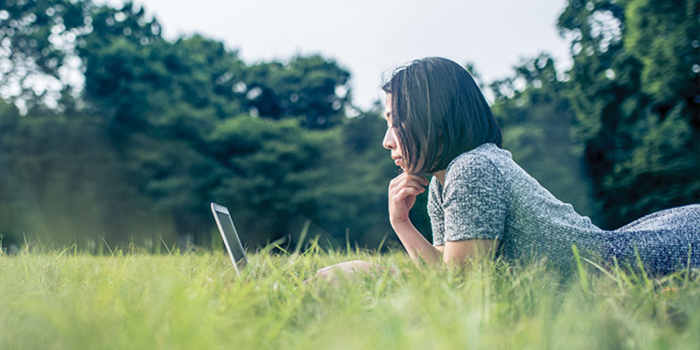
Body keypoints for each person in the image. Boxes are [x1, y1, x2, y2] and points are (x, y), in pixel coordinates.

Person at [312, 57, 700, 281]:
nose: (387, 139)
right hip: (621, 248)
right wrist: (403, 224)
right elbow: (449, 274)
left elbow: (463, 287)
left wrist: (381, 256)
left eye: (396, 121)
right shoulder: (443, 182)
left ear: (431, 119)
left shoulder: (473, 168)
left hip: (640, 263)